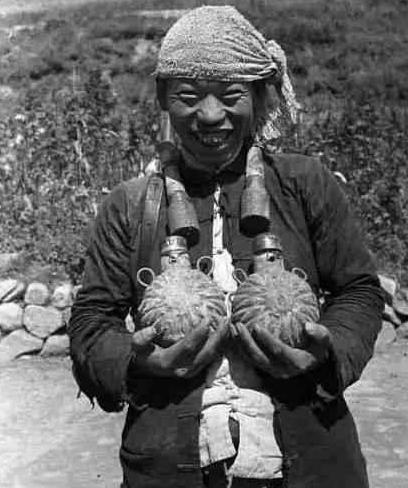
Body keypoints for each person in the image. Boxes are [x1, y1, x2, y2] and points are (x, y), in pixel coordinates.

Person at [68, 6, 384, 488]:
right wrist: (135, 362)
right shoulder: (129, 206)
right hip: (168, 464)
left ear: (258, 96)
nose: (211, 115)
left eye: (231, 95)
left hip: (312, 462)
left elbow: (358, 291)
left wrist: (327, 351)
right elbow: (92, 319)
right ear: (163, 97)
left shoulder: (305, 184)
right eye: (189, 96)